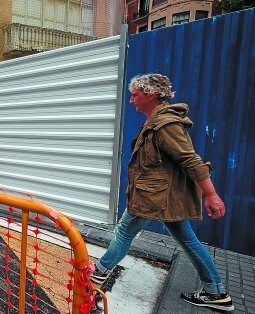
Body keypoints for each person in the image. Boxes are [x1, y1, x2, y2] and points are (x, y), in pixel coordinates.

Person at [90, 74, 233, 311]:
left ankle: (96, 274)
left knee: (125, 232)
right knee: (187, 239)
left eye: (135, 94)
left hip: (153, 196)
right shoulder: (154, 121)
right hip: (162, 196)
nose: (131, 100)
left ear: (152, 95)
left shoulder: (166, 125)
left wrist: (211, 195)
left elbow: (190, 160)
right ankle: (215, 291)